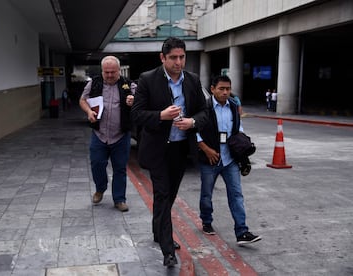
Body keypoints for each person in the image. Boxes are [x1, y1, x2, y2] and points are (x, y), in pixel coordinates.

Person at [131, 37, 207, 267]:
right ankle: (167, 250)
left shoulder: (192, 80)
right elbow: (136, 114)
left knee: (168, 196)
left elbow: (205, 112)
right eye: (173, 57)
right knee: (163, 195)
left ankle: (158, 232)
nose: (178, 62)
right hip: (157, 150)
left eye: (182, 57)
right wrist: (161, 116)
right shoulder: (147, 79)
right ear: (162, 58)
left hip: (180, 149)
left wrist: (192, 122)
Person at [196, 74, 261, 246]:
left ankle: (242, 231)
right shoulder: (204, 107)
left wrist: (242, 146)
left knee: (236, 195)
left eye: (228, 89)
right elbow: (195, 130)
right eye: (221, 89)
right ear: (212, 89)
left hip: (230, 159)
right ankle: (206, 221)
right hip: (209, 159)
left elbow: (237, 127)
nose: (225, 92)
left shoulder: (233, 106)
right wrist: (206, 149)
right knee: (206, 194)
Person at [79, 56, 135, 212]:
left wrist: (133, 100)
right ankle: (100, 187)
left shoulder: (128, 84)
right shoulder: (94, 83)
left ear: (119, 70)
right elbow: (82, 100)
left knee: (120, 168)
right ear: (102, 71)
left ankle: (119, 199)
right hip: (100, 134)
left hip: (120, 135)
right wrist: (89, 111)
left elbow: (141, 100)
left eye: (113, 72)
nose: (110, 75)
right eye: (106, 72)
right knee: (97, 163)